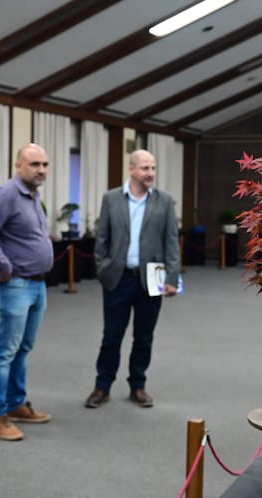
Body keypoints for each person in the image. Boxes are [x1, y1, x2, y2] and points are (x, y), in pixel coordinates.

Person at [0, 143, 54, 442]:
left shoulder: (33, 196)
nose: (41, 170)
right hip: (15, 284)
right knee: (5, 351)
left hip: (37, 284)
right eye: (34, 164)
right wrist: (1, 265)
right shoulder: (6, 194)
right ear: (18, 165)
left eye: (44, 164)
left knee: (23, 348)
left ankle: (16, 404)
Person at [85, 149, 179, 409]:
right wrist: (102, 269)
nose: (150, 174)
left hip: (151, 280)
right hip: (117, 279)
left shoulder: (164, 201)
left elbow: (171, 241)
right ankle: (102, 386)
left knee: (144, 337)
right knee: (111, 336)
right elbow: (101, 238)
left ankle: (138, 385)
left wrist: (172, 277)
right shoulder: (111, 199)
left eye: (153, 168)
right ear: (131, 169)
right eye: (145, 168)